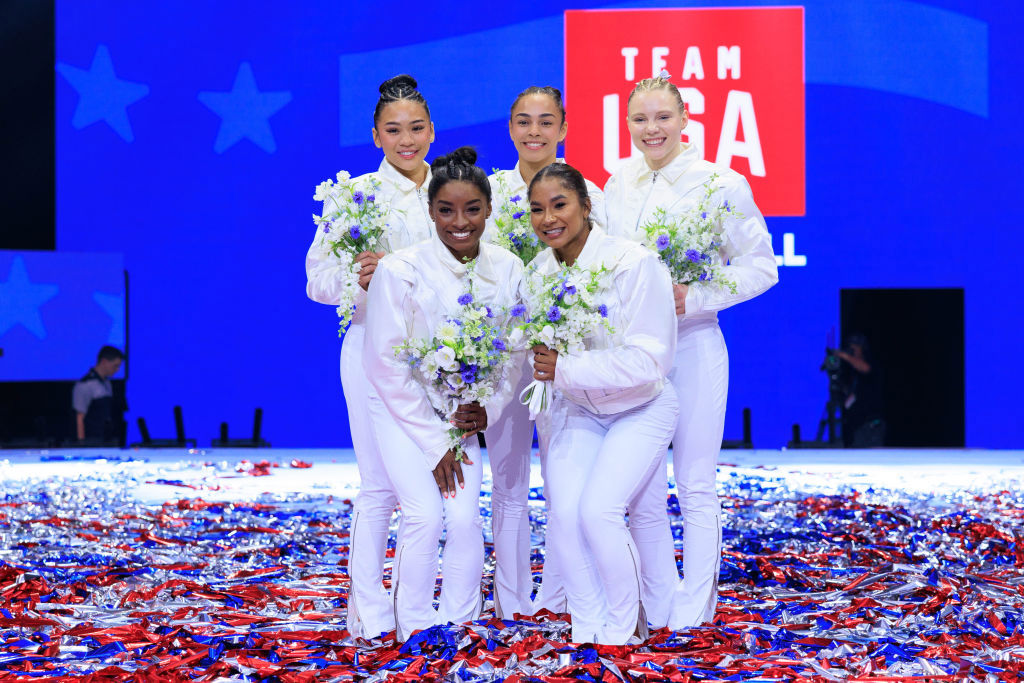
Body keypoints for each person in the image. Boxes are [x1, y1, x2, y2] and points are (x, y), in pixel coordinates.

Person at [604, 74, 779, 631]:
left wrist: (695, 296)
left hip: (696, 345)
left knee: (696, 482)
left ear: (685, 121)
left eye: (662, 117)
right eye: (639, 119)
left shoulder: (720, 183)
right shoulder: (616, 183)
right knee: (643, 489)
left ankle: (694, 610)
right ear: (626, 124)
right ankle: (659, 605)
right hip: (633, 354)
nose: (651, 129)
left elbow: (761, 267)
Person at [363, 147, 525, 641]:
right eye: (447, 210)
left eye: (472, 209)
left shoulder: (509, 267)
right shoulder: (400, 269)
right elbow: (385, 364)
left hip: (461, 416)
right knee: (425, 513)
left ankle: (459, 625)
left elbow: (515, 353)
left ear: (489, 210)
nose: (460, 222)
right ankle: (413, 627)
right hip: (399, 409)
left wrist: (488, 409)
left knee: (462, 516)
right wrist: (435, 444)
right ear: (430, 211)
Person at [304, 74, 435, 639]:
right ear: (375, 136)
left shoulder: (451, 189)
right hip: (368, 352)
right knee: (379, 486)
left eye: (416, 128)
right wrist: (356, 282)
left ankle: (418, 606)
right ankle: (371, 611)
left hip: (442, 359)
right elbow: (316, 281)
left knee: (433, 490)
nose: (406, 140)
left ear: (432, 130)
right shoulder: (351, 196)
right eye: (393, 130)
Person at [526, 163, 678, 644]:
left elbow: (650, 361)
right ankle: (588, 628)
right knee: (565, 516)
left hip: (642, 407)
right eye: (537, 209)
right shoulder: (536, 276)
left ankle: (624, 624)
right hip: (577, 409)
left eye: (560, 204)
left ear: (587, 206)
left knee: (598, 511)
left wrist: (565, 368)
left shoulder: (633, 263)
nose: (548, 217)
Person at [483, 85, 608, 617]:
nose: (534, 131)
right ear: (510, 128)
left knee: (565, 484)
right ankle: (511, 600)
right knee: (507, 482)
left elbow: (602, 276)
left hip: (564, 359)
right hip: (502, 359)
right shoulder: (488, 191)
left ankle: (564, 596)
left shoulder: (588, 193)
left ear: (563, 128)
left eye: (545, 121)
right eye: (523, 121)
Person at [837, 333, 885, 447]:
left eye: (854, 348)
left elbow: (865, 368)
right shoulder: (852, 373)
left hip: (870, 425)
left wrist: (844, 355)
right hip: (856, 426)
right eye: (849, 348)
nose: (851, 351)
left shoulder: (871, 365)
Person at [72, 345, 125, 445]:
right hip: (91, 441)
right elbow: (79, 418)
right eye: (115, 365)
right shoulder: (85, 384)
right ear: (104, 361)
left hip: (106, 439)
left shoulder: (107, 383)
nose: (117, 369)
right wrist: (81, 443)